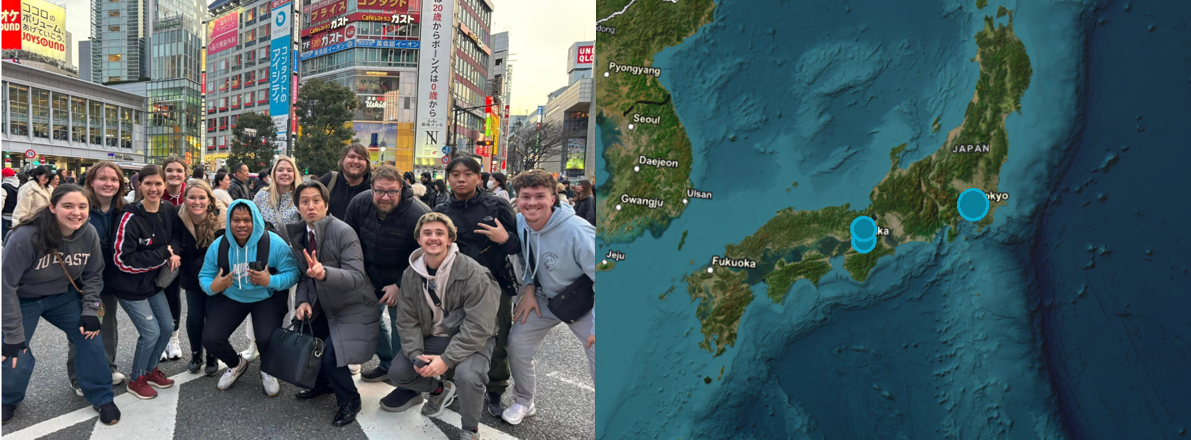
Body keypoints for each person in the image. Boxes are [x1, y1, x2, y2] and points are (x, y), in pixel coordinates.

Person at [1, 184, 121, 425]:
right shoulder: (25, 237)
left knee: (91, 335)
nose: (76, 212)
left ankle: (101, 396)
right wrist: (12, 334)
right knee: (15, 351)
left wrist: (90, 310)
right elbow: (6, 287)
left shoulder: (88, 234)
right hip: (23, 297)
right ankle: (8, 398)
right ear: (53, 207)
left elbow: (94, 275)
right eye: (68, 206)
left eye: (82, 207)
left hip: (62, 295)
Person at [385, 212, 499, 440]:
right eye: (427, 233)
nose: (433, 238)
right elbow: (407, 320)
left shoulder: (473, 273)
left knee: (468, 376)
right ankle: (439, 390)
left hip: (473, 338)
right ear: (418, 239)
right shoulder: (411, 273)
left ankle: (470, 430)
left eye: (440, 233)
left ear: (450, 240)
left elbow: (478, 326)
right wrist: (416, 354)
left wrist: (446, 360)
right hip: (435, 336)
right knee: (398, 372)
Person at [503, 170, 596, 425]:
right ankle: (524, 401)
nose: (532, 202)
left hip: (586, 304)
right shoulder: (521, 221)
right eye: (525, 196)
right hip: (544, 299)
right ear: (518, 199)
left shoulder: (578, 231)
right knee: (517, 345)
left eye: (540, 196)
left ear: (553, 198)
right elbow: (526, 257)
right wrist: (530, 288)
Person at [287, 180, 379, 426]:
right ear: (297, 207)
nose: (311, 206)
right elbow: (305, 278)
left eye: (316, 200)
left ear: (326, 205)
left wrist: (324, 272)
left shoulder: (343, 231)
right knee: (308, 342)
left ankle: (350, 399)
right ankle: (323, 384)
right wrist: (304, 301)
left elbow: (356, 277)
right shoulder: (301, 234)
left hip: (354, 305)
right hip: (325, 306)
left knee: (328, 353)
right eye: (304, 201)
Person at [434, 157, 521, 417]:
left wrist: (503, 238)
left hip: (495, 284)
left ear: (479, 177)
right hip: (454, 285)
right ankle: (449, 384)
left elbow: (518, 244)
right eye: (455, 174)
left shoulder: (496, 205)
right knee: (451, 333)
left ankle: (495, 391)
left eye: (468, 173)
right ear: (448, 177)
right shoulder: (441, 207)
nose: (461, 179)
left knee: (498, 338)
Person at [198, 200, 299, 394]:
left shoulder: (274, 243)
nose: (241, 225)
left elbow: (293, 273)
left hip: (266, 296)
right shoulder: (219, 246)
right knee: (211, 338)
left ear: (256, 221)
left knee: (266, 338)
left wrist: (270, 281)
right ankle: (236, 364)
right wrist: (213, 286)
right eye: (236, 220)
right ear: (229, 221)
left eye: (247, 220)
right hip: (233, 296)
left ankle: (268, 369)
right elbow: (204, 275)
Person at [342, 165, 431, 383]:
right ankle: (387, 363)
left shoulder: (419, 214)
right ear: (371, 188)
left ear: (401, 188)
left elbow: (426, 256)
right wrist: (357, 272)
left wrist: (400, 284)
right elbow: (348, 239)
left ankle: (404, 377)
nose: (385, 197)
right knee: (368, 319)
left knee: (403, 326)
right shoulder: (360, 203)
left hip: (405, 275)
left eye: (392, 191)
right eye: (379, 191)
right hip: (368, 272)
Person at [109, 165, 181, 399]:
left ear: (164, 186)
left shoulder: (168, 209)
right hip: (129, 286)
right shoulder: (129, 216)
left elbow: (175, 238)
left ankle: (150, 371)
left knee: (167, 327)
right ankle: (136, 378)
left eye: (158, 183)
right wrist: (163, 253)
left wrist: (175, 252)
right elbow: (121, 260)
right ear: (138, 185)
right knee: (150, 333)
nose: (154, 188)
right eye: (148, 183)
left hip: (153, 283)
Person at [65, 162, 129, 396]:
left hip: (110, 280)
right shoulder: (81, 209)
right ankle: (79, 376)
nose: (108, 184)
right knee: (82, 327)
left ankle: (108, 367)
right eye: (102, 178)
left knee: (107, 324)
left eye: (114, 179)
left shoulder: (124, 209)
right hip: (80, 280)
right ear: (91, 181)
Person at [243, 156, 300, 362]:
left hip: (291, 260)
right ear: (273, 173)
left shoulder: (300, 197)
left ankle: (283, 342)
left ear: (295, 174)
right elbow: (252, 225)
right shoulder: (261, 195)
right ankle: (253, 344)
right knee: (256, 298)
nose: (285, 173)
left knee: (289, 303)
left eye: (289, 170)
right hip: (263, 256)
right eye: (280, 170)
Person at [175, 180, 226, 376]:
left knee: (212, 315)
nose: (197, 202)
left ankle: (212, 354)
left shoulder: (220, 218)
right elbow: (175, 241)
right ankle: (196, 353)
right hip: (189, 275)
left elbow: (222, 249)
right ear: (185, 199)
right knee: (195, 316)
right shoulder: (179, 217)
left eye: (202, 197)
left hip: (214, 275)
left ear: (209, 200)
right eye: (192, 197)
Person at [159, 157, 191, 362]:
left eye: (179, 170)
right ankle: (158, 340)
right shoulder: (154, 192)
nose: (174, 174)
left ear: (185, 174)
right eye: (169, 170)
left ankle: (173, 338)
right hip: (155, 252)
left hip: (182, 253)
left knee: (173, 295)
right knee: (154, 296)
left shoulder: (190, 194)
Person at [318, 144, 373, 221]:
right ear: (342, 160)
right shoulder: (328, 180)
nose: (356, 161)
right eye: (351, 157)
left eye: (361, 158)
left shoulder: (375, 186)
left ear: (367, 164)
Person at [2, 168, 20, 243]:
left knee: (5, 239)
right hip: (19, 217)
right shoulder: (20, 185)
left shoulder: (3, 187)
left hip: (6, 217)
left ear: (3, 176)